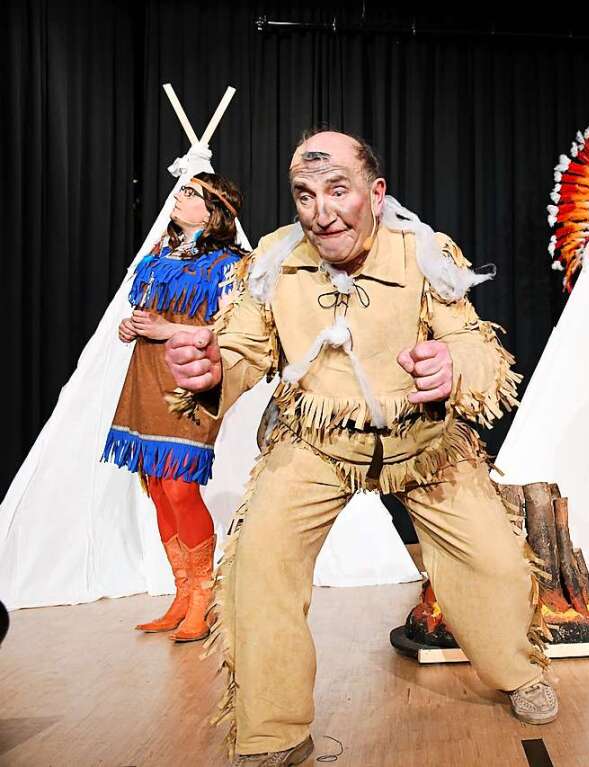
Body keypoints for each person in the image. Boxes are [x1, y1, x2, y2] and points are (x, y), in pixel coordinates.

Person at [165, 131, 556, 764]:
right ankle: (273, 733)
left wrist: (453, 365)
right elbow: (242, 347)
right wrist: (214, 367)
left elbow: (480, 345)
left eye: (338, 190)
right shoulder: (272, 258)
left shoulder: (423, 250)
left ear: (375, 193)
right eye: (305, 194)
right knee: (257, 564)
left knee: (496, 565)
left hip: (423, 443)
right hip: (314, 442)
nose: (321, 212)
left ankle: (519, 671)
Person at [102, 172, 244, 642]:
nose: (177, 198)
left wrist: (167, 331)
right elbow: (151, 314)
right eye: (179, 190)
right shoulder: (159, 255)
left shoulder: (232, 265)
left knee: (181, 486)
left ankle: (205, 597)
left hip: (190, 379)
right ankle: (181, 594)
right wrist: (132, 327)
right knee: (159, 486)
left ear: (214, 209)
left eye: (189, 193)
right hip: (145, 374)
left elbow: (234, 334)